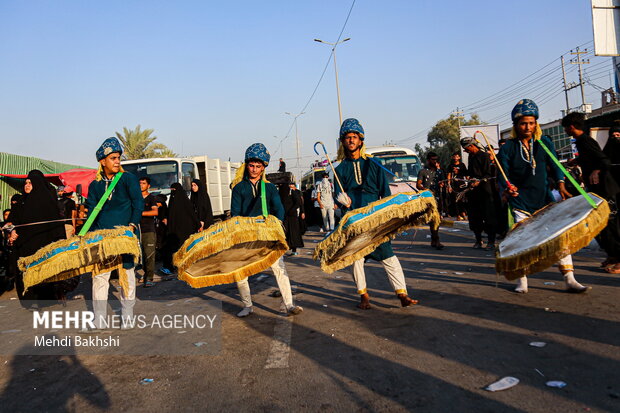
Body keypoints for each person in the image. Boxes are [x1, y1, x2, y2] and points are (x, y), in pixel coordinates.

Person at [498, 99, 589, 293]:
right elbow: (503, 175)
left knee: (560, 238)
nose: (528, 127)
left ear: (536, 123)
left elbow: (556, 165)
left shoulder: (544, 142)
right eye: (523, 123)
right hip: (520, 201)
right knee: (520, 241)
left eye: (531, 123)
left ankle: (569, 278)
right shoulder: (508, 148)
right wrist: (507, 189)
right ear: (516, 125)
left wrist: (562, 184)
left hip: (544, 199)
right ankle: (521, 280)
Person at [335, 118, 418, 309]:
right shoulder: (339, 169)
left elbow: (385, 194)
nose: (351, 140)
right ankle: (363, 295)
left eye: (354, 137)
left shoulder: (374, 164)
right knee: (355, 259)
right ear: (343, 142)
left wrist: (388, 215)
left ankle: (402, 294)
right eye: (347, 137)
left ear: (361, 140)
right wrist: (343, 202)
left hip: (375, 217)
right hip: (355, 219)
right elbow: (337, 196)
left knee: (389, 256)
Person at [231, 143, 303, 317]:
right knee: (240, 272)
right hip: (247, 235)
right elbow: (235, 214)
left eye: (258, 166)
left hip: (268, 234)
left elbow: (278, 210)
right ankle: (247, 306)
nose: (254, 169)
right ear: (246, 165)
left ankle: (289, 304)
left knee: (279, 269)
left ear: (263, 167)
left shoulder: (270, 188)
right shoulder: (239, 188)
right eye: (251, 165)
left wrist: (274, 226)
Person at [85, 137, 143, 329]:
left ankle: (128, 315)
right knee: (100, 277)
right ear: (103, 161)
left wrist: (132, 225)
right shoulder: (95, 185)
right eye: (113, 158)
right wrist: (86, 235)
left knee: (127, 274)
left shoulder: (128, 179)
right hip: (102, 238)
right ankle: (99, 318)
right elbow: (92, 211)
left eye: (118, 157)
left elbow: (138, 203)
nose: (118, 161)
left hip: (124, 235)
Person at [562, 112, 620, 273]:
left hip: (605, 190)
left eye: (566, 128)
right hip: (595, 190)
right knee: (600, 225)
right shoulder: (581, 142)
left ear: (571, 127)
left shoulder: (586, 141)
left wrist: (596, 171)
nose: (566, 131)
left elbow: (604, 160)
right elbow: (591, 158)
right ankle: (612, 255)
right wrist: (577, 161)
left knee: (610, 225)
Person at [8, 170, 67, 306]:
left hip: (44, 245)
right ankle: (30, 299)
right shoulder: (21, 202)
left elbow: (57, 226)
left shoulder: (48, 203)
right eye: (26, 183)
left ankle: (49, 296)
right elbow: (12, 221)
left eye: (31, 183)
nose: (27, 185)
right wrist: (12, 231)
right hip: (24, 246)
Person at [461, 138, 497, 249]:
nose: (466, 152)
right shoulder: (471, 157)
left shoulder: (484, 156)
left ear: (472, 146)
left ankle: (491, 242)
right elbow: (471, 173)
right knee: (474, 217)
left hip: (485, 191)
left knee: (488, 217)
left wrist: (478, 181)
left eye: (467, 149)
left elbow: (487, 174)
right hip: (473, 192)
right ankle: (478, 240)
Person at [161, 183, 200, 274]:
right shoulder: (172, 201)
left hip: (185, 230)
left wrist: (198, 225)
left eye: (174, 190)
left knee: (185, 247)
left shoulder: (184, 202)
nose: (173, 192)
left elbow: (192, 214)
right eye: (172, 190)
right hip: (175, 230)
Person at [417, 152, 445, 249]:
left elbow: (443, 183)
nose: (435, 161)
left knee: (437, 219)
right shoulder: (423, 171)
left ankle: (434, 239)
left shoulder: (440, 172)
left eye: (436, 159)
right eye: (433, 159)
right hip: (428, 198)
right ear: (428, 160)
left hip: (438, 198)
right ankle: (436, 240)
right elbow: (418, 184)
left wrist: (442, 184)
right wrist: (424, 189)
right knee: (433, 218)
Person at [138, 177, 159, 287]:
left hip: (148, 230)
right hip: (136, 230)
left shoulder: (151, 198)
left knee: (149, 254)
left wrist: (141, 213)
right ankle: (145, 274)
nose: (141, 185)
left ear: (148, 186)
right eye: (140, 183)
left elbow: (155, 212)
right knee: (140, 255)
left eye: (144, 183)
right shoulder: (135, 198)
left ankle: (149, 278)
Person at [279, 183, 304, 256]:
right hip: (285, 216)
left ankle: (294, 249)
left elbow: (298, 202)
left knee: (294, 232)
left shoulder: (292, 192)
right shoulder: (281, 193)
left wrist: (292, 210)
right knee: (285, 231)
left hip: (292, 216)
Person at [447, 152, 468, 220]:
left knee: (462, 199)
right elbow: (449, 176)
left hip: (461, 184)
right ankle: (458, 214)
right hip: (454, 184)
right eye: (454, 156)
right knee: (455, 199)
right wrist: (449, 185)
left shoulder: (462, 165)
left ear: (459, 157)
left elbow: (466, 174)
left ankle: (463, 213)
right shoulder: (450, 166)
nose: (456, 158)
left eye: (457, 156)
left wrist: (469, 181)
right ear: (452, 157)